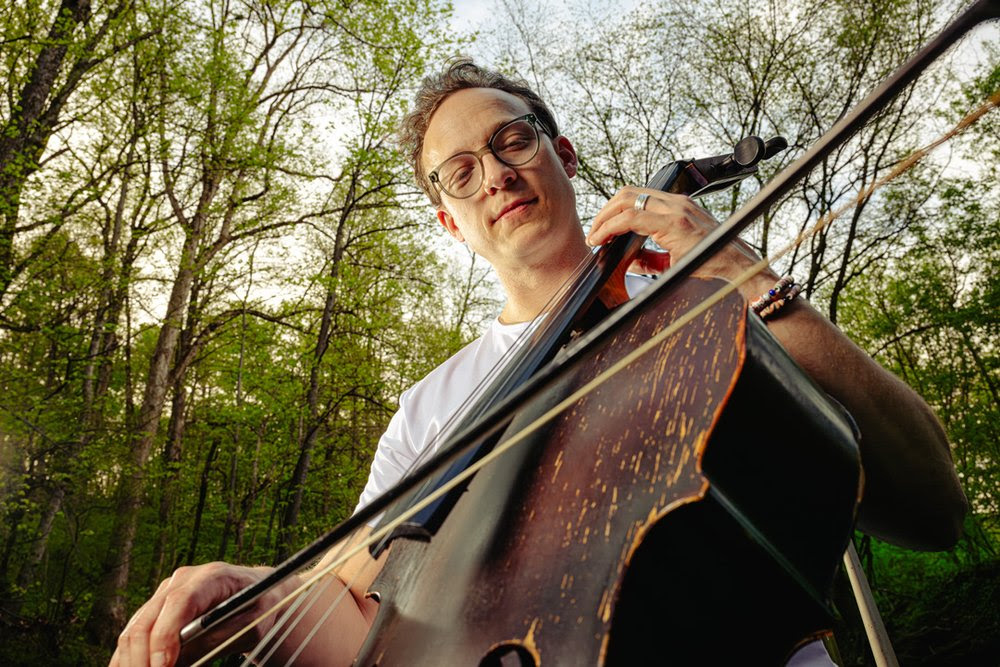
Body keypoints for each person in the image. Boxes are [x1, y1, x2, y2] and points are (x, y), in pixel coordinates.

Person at [111, 59, 968, 667]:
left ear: (562, 154)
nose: (494, 174)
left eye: (512, 140)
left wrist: (743, 276)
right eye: (460, 171)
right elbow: (359, 613)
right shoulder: (427, 409)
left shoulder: (714, 315)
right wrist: (245, 587)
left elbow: (932, 505)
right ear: (451, 221)